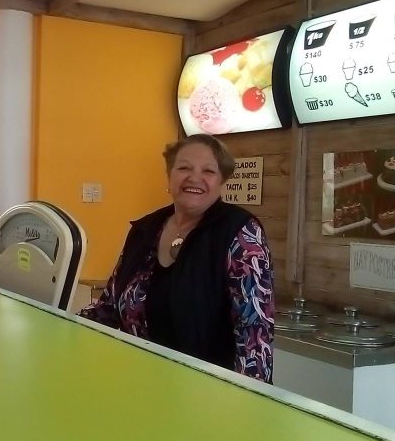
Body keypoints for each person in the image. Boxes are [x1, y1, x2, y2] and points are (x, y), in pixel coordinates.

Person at [79, 134, 275, 382]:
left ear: (222, 181)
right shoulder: (145, 229)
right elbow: (108, 307)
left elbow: (254, 331)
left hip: (206, 391)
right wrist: (62, 328)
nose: (194, 177)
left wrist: (246, 396)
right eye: (184, 168)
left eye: (208, 171)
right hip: (137, 381)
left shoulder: (240, 232)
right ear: (169, 176)